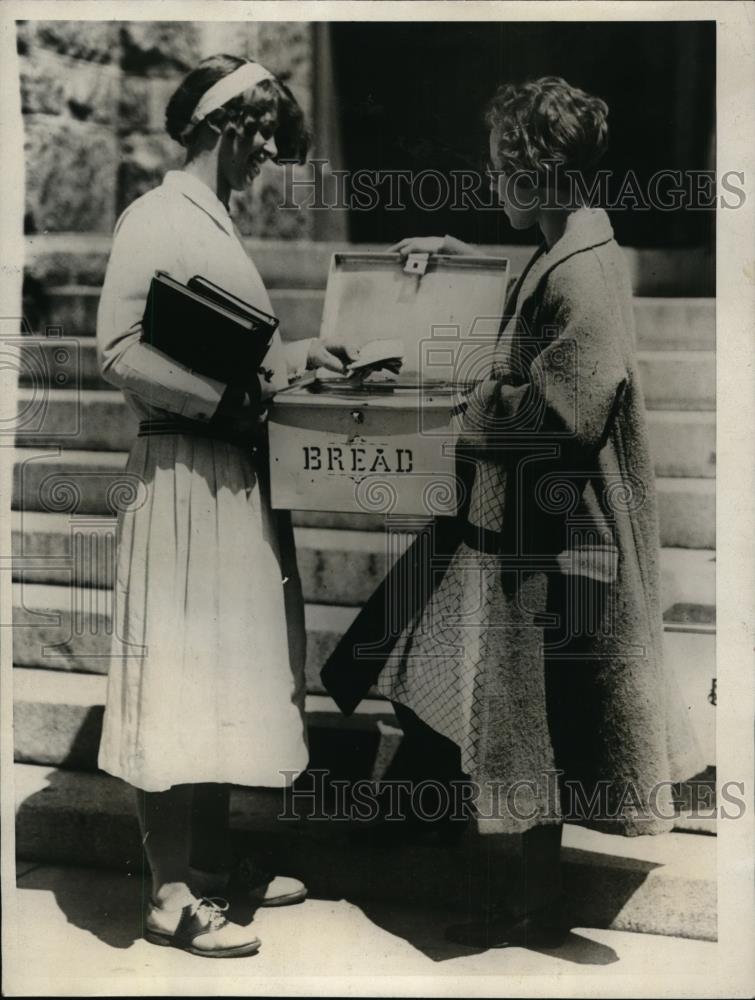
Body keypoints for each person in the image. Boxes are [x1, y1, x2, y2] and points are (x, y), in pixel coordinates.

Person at [322, 76, 706, 948]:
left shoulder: (587, 272)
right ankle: (446, 839)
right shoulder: (566, 250)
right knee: (482, 693)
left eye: (502, 170)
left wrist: (469, 399)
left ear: (540, 173)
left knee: (530, 722)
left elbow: (561, 410)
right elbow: (534, 315)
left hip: (559, 538)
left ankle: (525, 904)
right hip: (526, 526)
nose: (493, 184)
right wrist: (455, 252)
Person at [97, 54, 354, 958]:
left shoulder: (215, 225)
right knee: (176, 674)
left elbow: (244, 350)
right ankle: (168, 895)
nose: (268, 160)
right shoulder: (155, 217)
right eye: (263, 140)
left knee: (217, 678)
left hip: (232, 479)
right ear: (226, 128)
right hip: (179, 480)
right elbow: (121, 351)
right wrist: (226, 402)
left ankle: (209, 867)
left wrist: (305, 357)